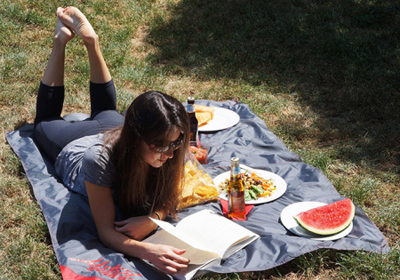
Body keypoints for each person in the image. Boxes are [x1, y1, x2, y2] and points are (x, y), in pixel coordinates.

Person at [33, 6, 190, 275]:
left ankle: (92, 42)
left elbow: (169, 200)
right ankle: (60, 42)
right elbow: (106, 233)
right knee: (44, 122)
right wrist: (148, 251)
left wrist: (153, 219)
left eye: (175, 144)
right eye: (161, 146)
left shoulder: (170, 142)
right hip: (76, 146)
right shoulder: (99, 159)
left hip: (112, 127)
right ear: (136, 137)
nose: (170, 155)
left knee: (106, 110)